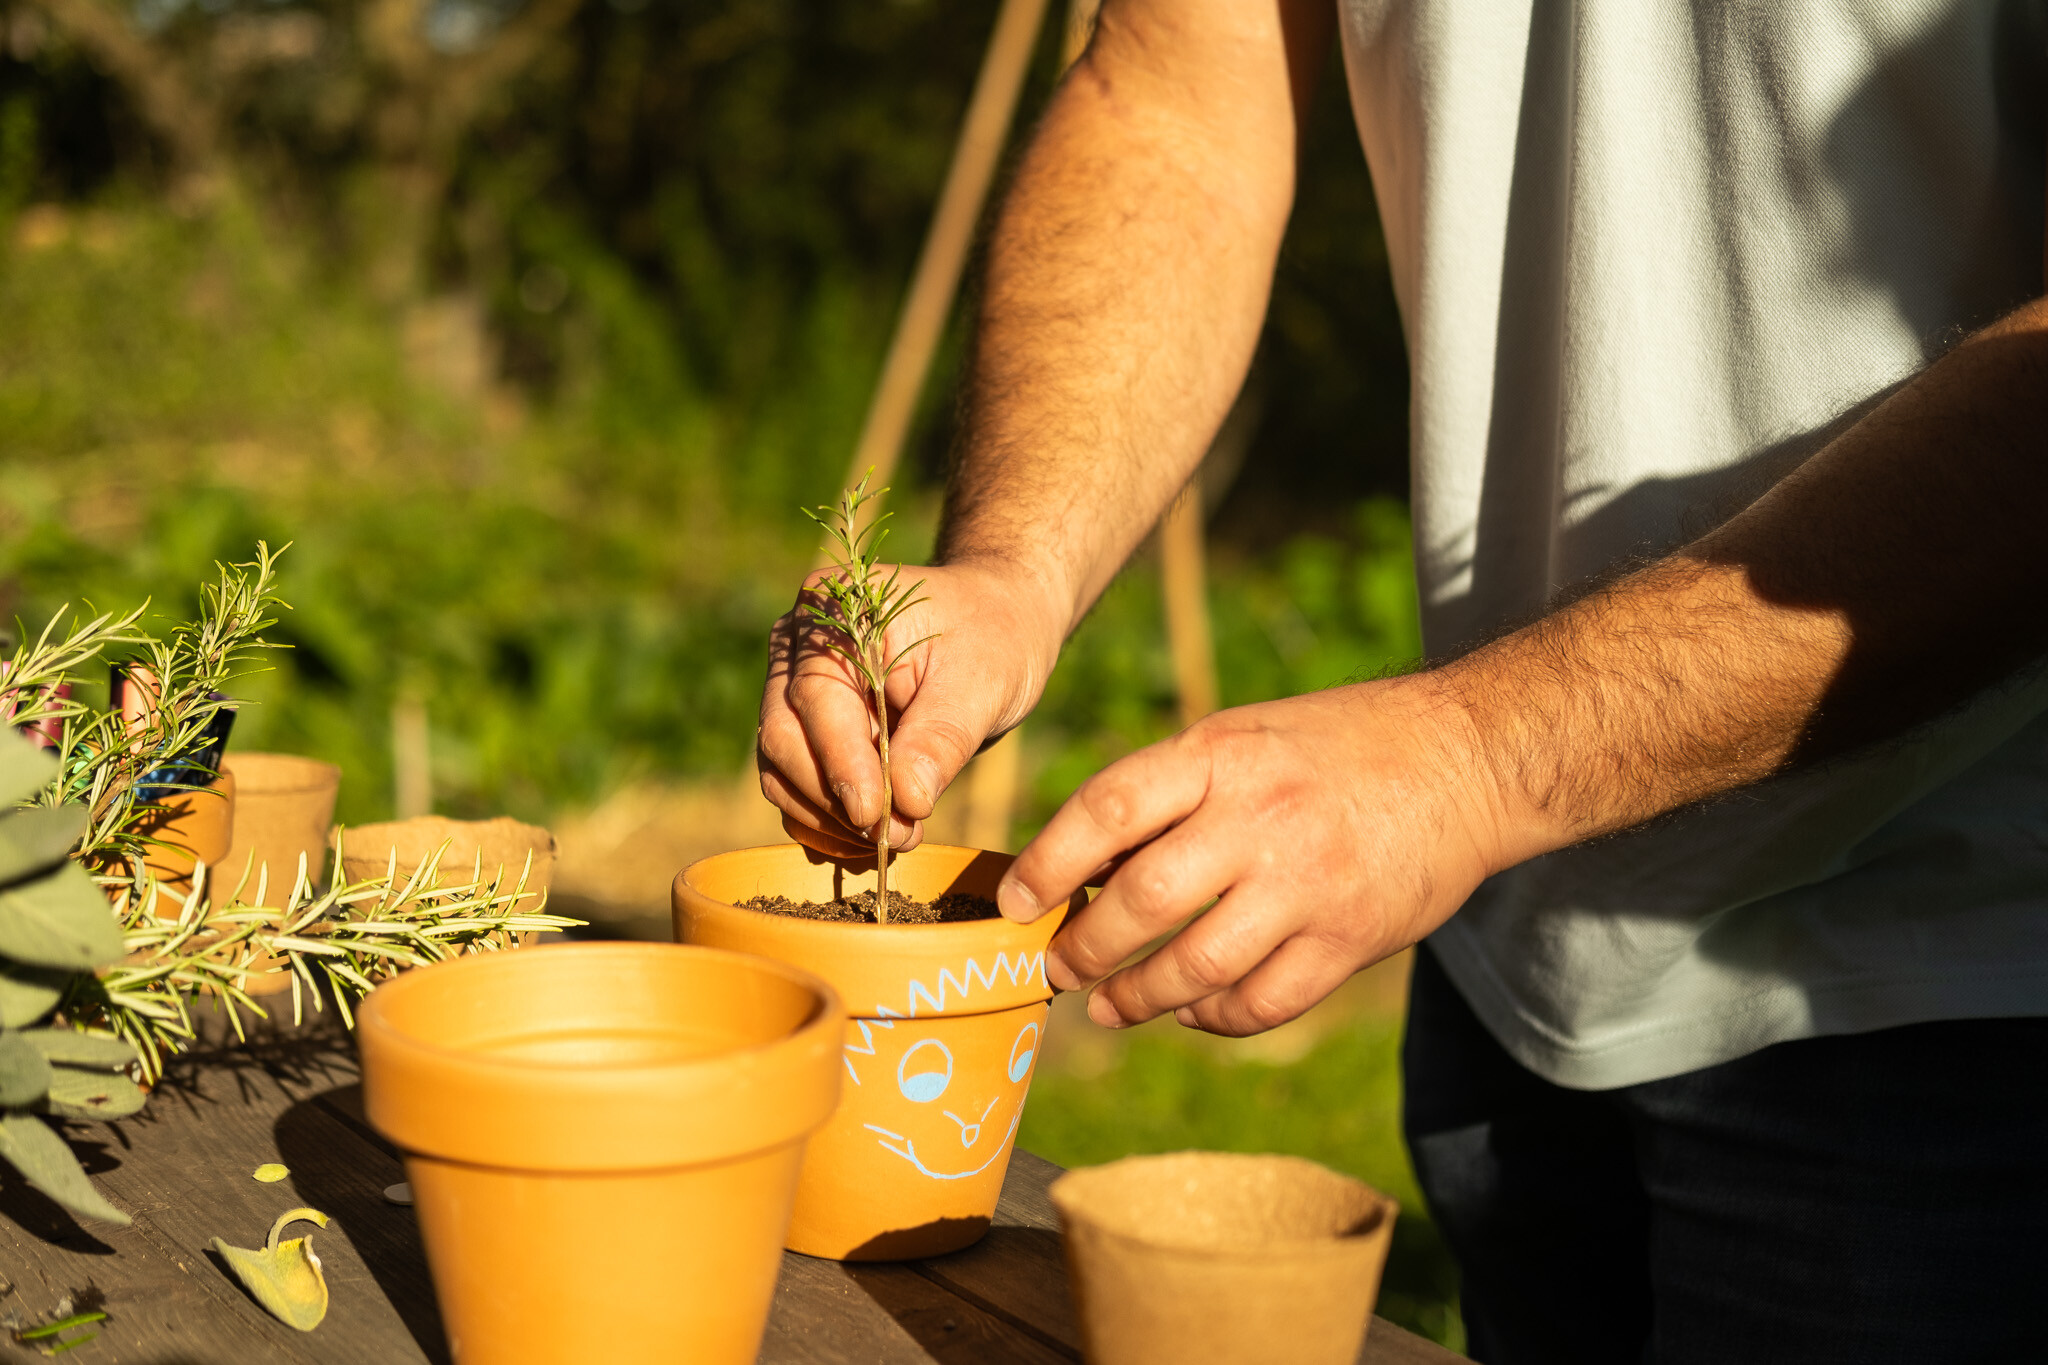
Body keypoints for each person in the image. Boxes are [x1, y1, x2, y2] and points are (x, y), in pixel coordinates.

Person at [758, 2, 2048, 1360]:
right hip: (1513, 982)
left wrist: (1472, 760)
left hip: (1957, 980)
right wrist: (1015, 564)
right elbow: (1173, 98)